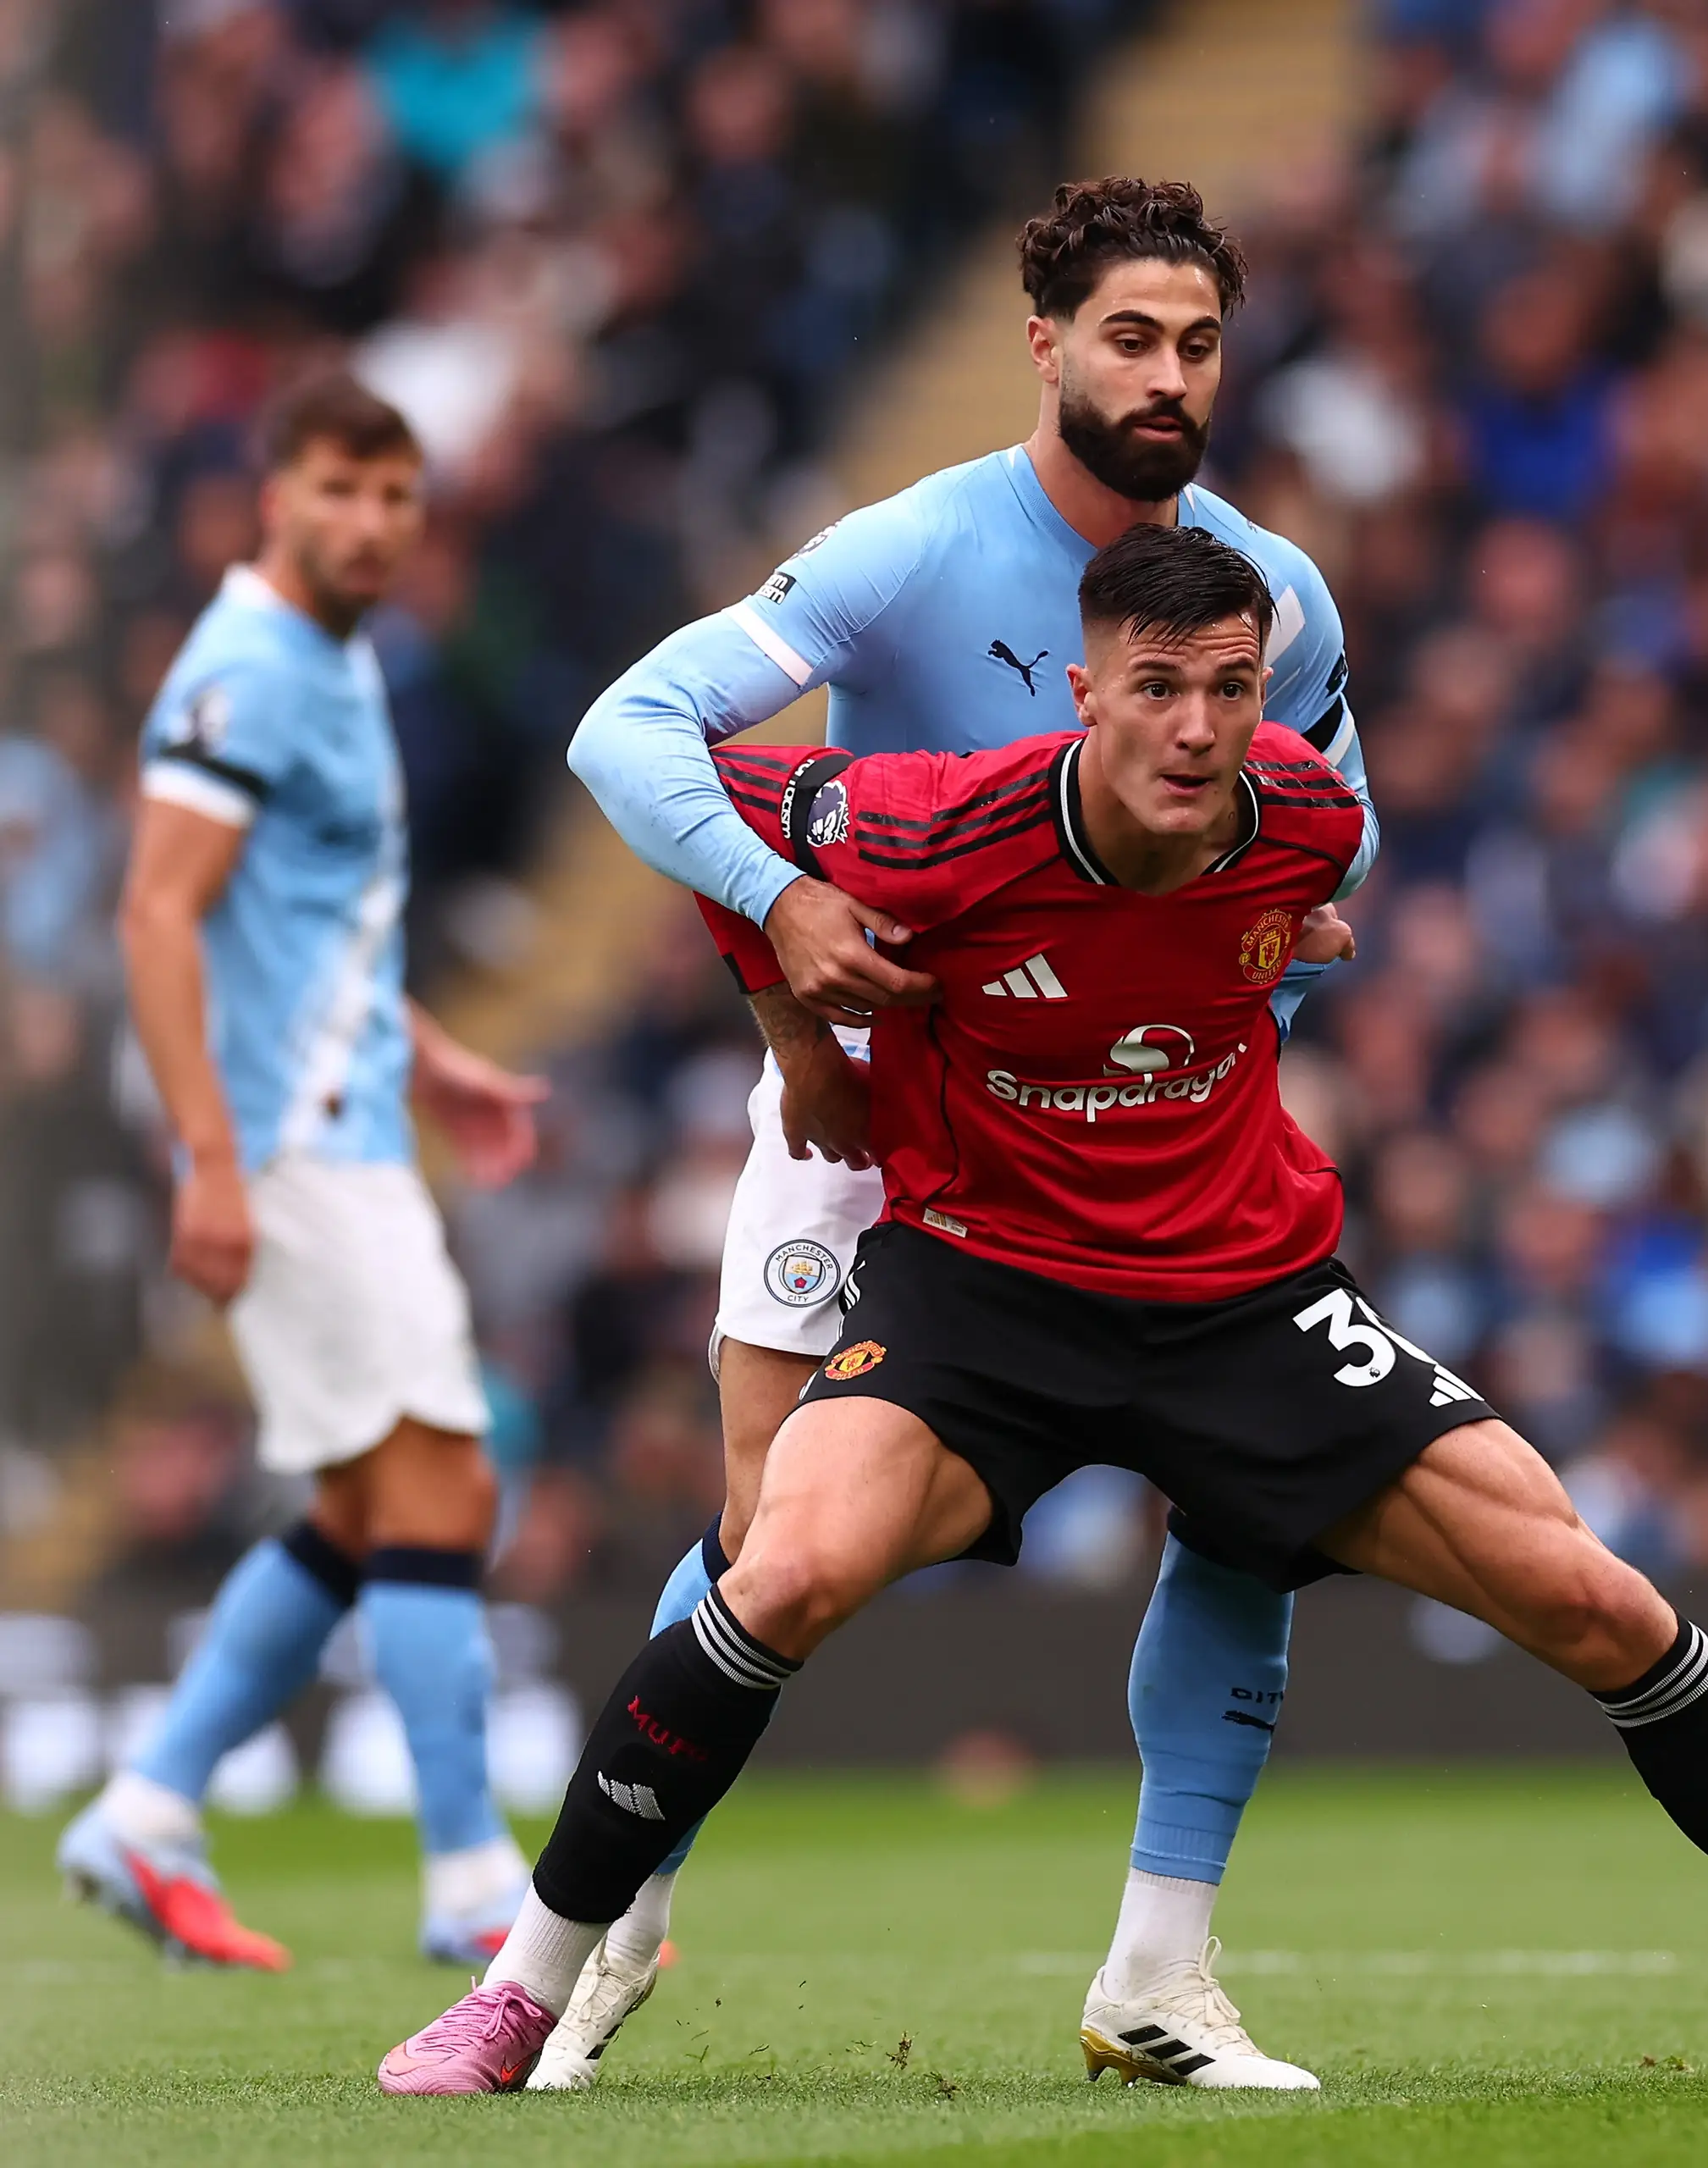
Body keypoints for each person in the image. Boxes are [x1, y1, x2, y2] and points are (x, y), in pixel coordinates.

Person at [382, 525, 1708, 2095]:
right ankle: (519, 1993)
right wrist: (790, 1003)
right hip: (981, 1289)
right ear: (1084, 696)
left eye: (1228, 687)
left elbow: (1289, 902)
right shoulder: (929, 820)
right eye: (1157, 688)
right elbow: (699, 802)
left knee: (1599, 1599)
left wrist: (1290, 936)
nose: (1197, 727)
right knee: (781, 1568)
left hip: (1243, 1298)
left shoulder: (1312, 816)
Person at [548, 177, 1363, 2090]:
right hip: (879, 1109)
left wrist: (1241, 1005)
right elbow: (632, 731)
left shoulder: (1275, 594)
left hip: (1132, 1121)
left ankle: (1162, 1970)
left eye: (1199, 345)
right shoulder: (910, 549)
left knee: (1248, 1499)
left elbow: (1340, 832)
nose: (1169, 379)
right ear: (1047, 346)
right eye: (1131, 339)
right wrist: (786, 919)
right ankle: (609, 1924)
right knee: (766, 1536)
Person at [61, 376, 548, 1969]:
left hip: (338, 1121)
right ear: (275, 499)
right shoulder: (252, 669)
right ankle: (473, 1884)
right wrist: (209, 1158)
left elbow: (313, 929)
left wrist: (437, 1057)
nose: (370, 523)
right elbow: (156, 913)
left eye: (396, 496)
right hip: (288, 1143)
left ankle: (146, 1810)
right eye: (339, 489)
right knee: (444, 1484)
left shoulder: (333, 660)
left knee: (361, 1503)